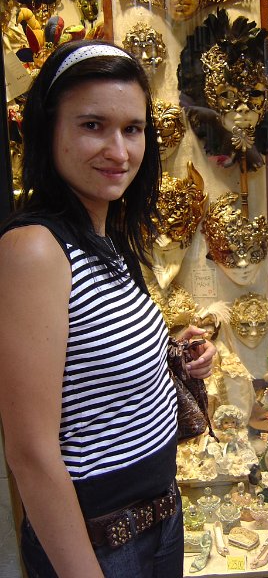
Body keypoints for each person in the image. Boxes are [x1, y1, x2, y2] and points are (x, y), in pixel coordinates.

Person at [0, 39, 216, 578]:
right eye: (93, 125)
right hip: (100, 543)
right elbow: (31, 452)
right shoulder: (35, 250)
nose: (119, 151)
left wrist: (170, 353)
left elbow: (85, 365)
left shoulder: (106, 238)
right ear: (49, 129)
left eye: (132, 129)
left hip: (159, 520)